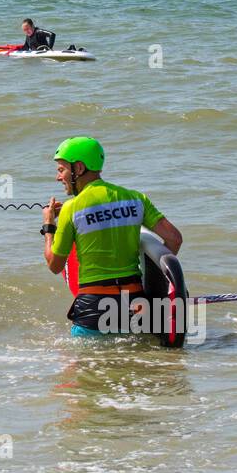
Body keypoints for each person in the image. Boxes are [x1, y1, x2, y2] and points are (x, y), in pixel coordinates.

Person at [39, 136, 183, 336]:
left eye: (61, 169)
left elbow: (55, 265)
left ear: (79, 168)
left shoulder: (71, 209)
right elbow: (174, 239)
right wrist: (154, 285)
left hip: (94, 308)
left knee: (78, 365)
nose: (58, 177)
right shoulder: (135, 198)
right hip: (135, 305)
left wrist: (48, 226)